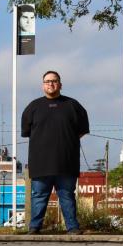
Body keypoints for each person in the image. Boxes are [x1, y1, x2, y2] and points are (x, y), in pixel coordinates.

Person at [21, 71, 90, 235]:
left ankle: (72, 228)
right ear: (42, 85)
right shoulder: (33, 107)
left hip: (66, 162)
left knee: (67, 196)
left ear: (60, 84)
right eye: (47, 81)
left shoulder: (73, 105)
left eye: (54, 81)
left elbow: (82, 130)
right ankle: (34, 228)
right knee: (38, 196)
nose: (50, 84)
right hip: (40, 163)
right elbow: (28, 132)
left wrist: (66, 141)